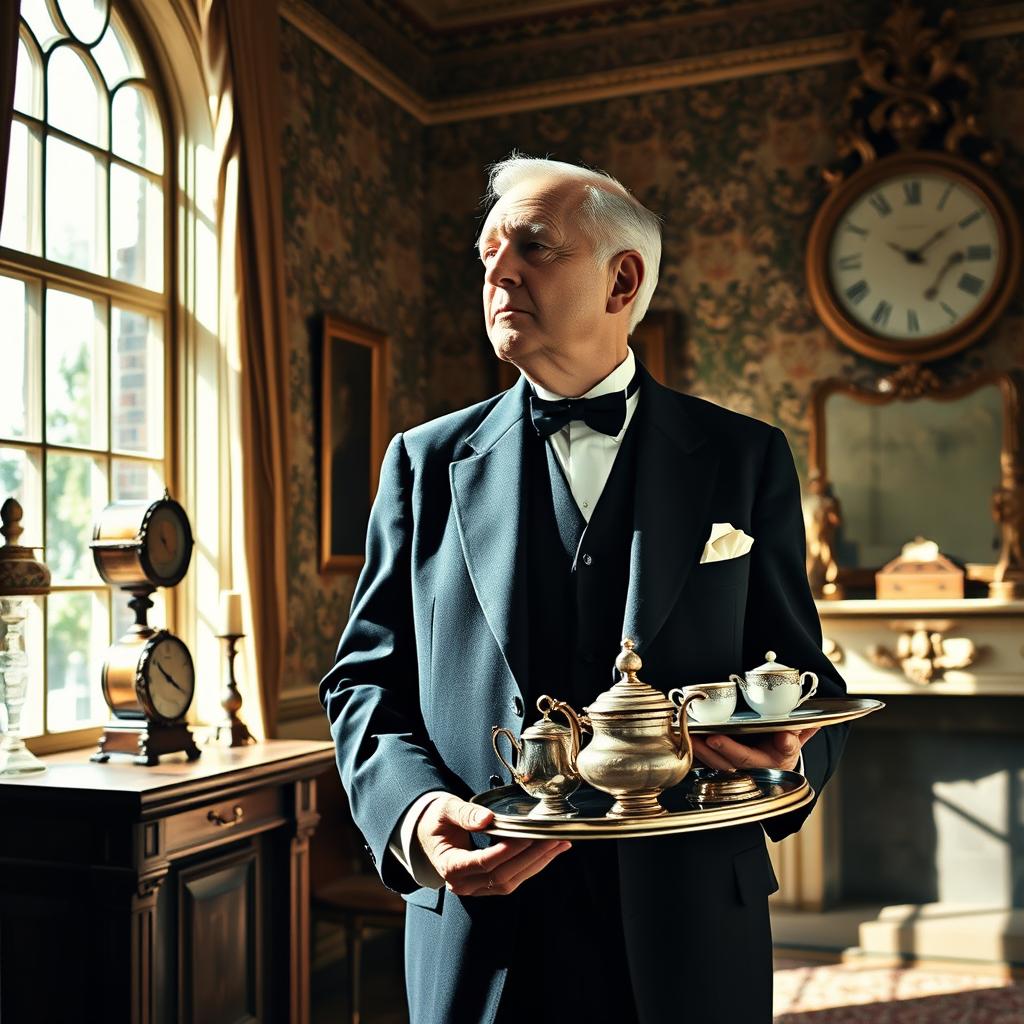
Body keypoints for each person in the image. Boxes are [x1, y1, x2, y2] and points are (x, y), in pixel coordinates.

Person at [319, 154, 849, 1024]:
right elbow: (362, 682)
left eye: (532, 246)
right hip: (481, 927)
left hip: (689, 922)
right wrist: (414, 816)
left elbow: (805, 678)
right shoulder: (421, 464)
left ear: (622, 279)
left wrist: (788, 755)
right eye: (488, 252)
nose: (496, 271)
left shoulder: (744, 457)